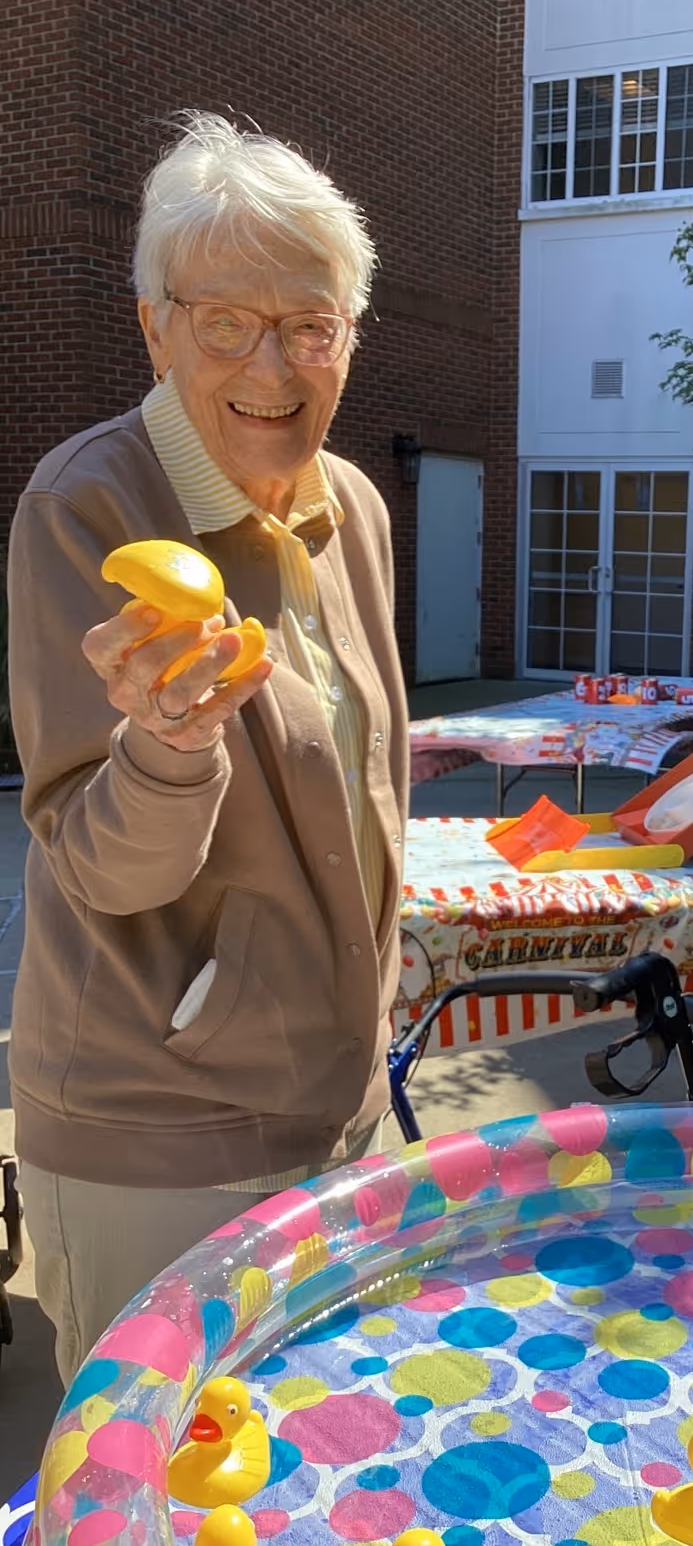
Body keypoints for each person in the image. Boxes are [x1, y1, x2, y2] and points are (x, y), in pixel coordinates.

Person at [7, 113, 409, 1384]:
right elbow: (104, 867)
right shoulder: (91, 505)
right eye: (226, 321)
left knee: (305, 1487)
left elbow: (361, 772)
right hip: (161, 1129)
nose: (273, 365)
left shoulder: (355, 503)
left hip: (339, 1106)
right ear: (154, 324)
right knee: (154, 1503)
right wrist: (168, 744)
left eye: (311, 324)